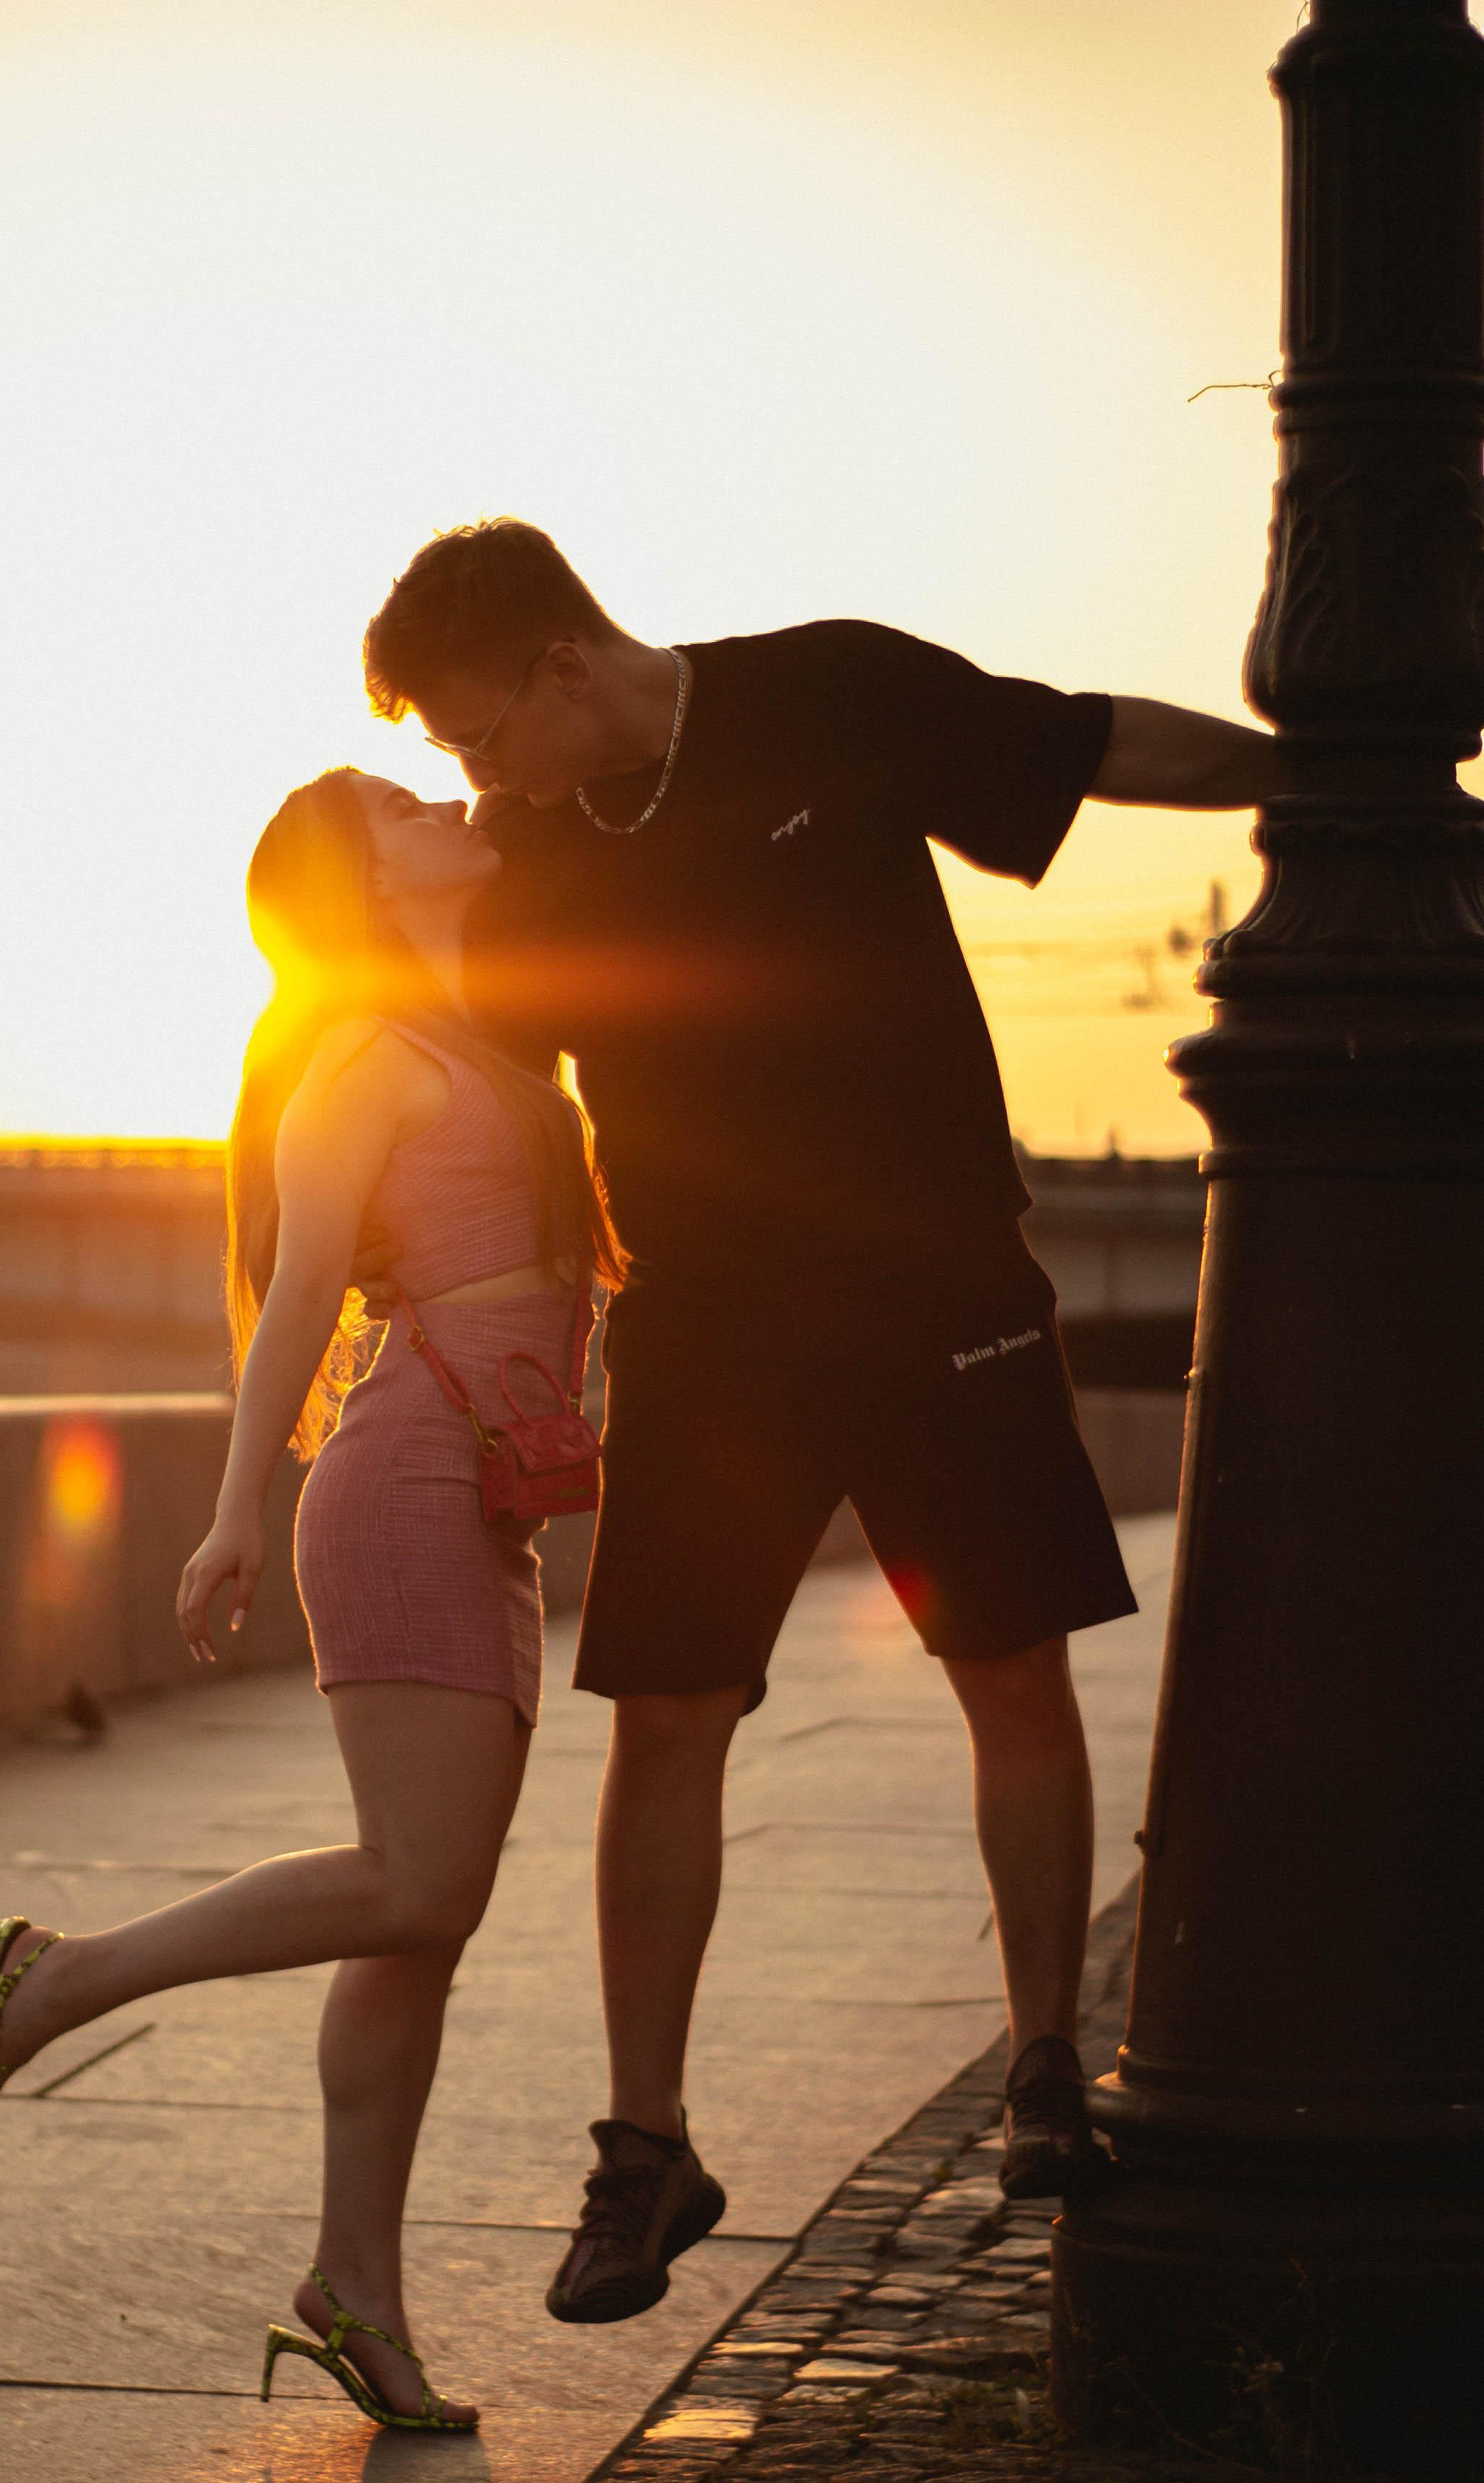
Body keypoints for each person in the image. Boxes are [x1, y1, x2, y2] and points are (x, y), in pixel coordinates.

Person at [359, 518, 1288, 2320]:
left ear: (556, 666)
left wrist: (1327, 771)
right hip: (707, 1330)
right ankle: (645, 2153)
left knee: (1005, 1674)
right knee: (664, 1722)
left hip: (936, 1280)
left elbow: (1089, 742)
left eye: (477, 740)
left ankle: (1038, 2073)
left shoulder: (827, 691)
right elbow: (491, 1106)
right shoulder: (534, 869)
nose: (474, 785)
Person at [0, 765, 624, 2427]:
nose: (443, 803)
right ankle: (59, 1977)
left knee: (423, 1920)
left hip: (488, 1501)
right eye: (400, 805)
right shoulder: (361, 1057)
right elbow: (301, 1287)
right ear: (353, 885)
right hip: (401, 1489)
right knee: (410, 1878)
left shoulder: (494, 1041)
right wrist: (236, 1510)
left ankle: (351, 2291)